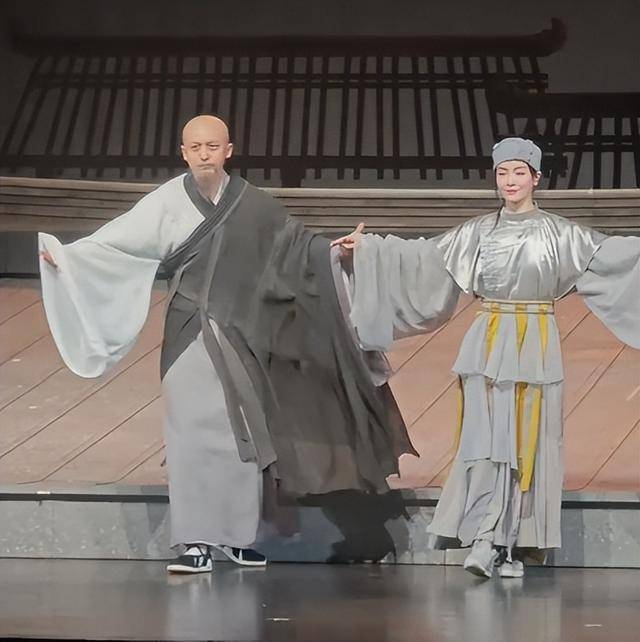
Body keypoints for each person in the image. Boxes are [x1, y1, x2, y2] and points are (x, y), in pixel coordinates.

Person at [39, 115, 414, 573]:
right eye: (195, 147)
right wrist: (67, 258)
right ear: (183, 152)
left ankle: (236, 538)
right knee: (190, 435)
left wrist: (336, 252)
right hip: (190, 331)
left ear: (229, 150)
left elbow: (297, 248)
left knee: (242, 437)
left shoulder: (253, 204)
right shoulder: (167, 202)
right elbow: (116, 243)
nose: (204, 154)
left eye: (212, 146)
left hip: (242, 333)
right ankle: (196, 541)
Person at [332, 137, 639, 579]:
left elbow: (619, 260)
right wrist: (365, 251)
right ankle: (485, 536)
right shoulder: (477, 232)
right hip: (488, 341)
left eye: (519, 173)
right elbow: (422, 258)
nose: (510, 181)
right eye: (502, 173)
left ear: (536, 178)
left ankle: (508, 544)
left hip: (535, 341)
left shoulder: (562, 234)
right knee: (485, 438)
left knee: (527, 440)